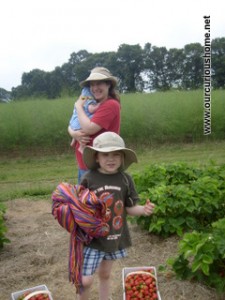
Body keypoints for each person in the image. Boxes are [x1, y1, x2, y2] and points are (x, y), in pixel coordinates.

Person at [78, 131, 155, 300]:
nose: (110, 159)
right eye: (105, 154)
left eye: (116, 154)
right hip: (93, 239)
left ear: (122, 158)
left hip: (114, 236)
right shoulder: (89, 178)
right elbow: (79, 207)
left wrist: (143, 210)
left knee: (105, 274)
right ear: (97, 157)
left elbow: (129, 208)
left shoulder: (125, 179)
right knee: (85, 281)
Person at [68, 67, 121, 184]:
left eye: (99, 83)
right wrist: (74, 134)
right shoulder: (91, 103)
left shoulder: (111, 104)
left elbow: (89, 129)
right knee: (85, 200)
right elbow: (72, 124)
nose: (95, 88)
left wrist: (78, 106)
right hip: (86, 164)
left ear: (108, 85)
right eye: (92, 85)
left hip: (99, 166)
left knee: (94, 200)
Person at [68, 86, 100, 152]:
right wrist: (100, 105)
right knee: (84, 132)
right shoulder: (89, 97)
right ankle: (82, 147)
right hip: (79, 122)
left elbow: (81, 101)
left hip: (74, 121)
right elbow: (91, 109)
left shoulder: (83, 96)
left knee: (78, 129)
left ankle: (73, 139)